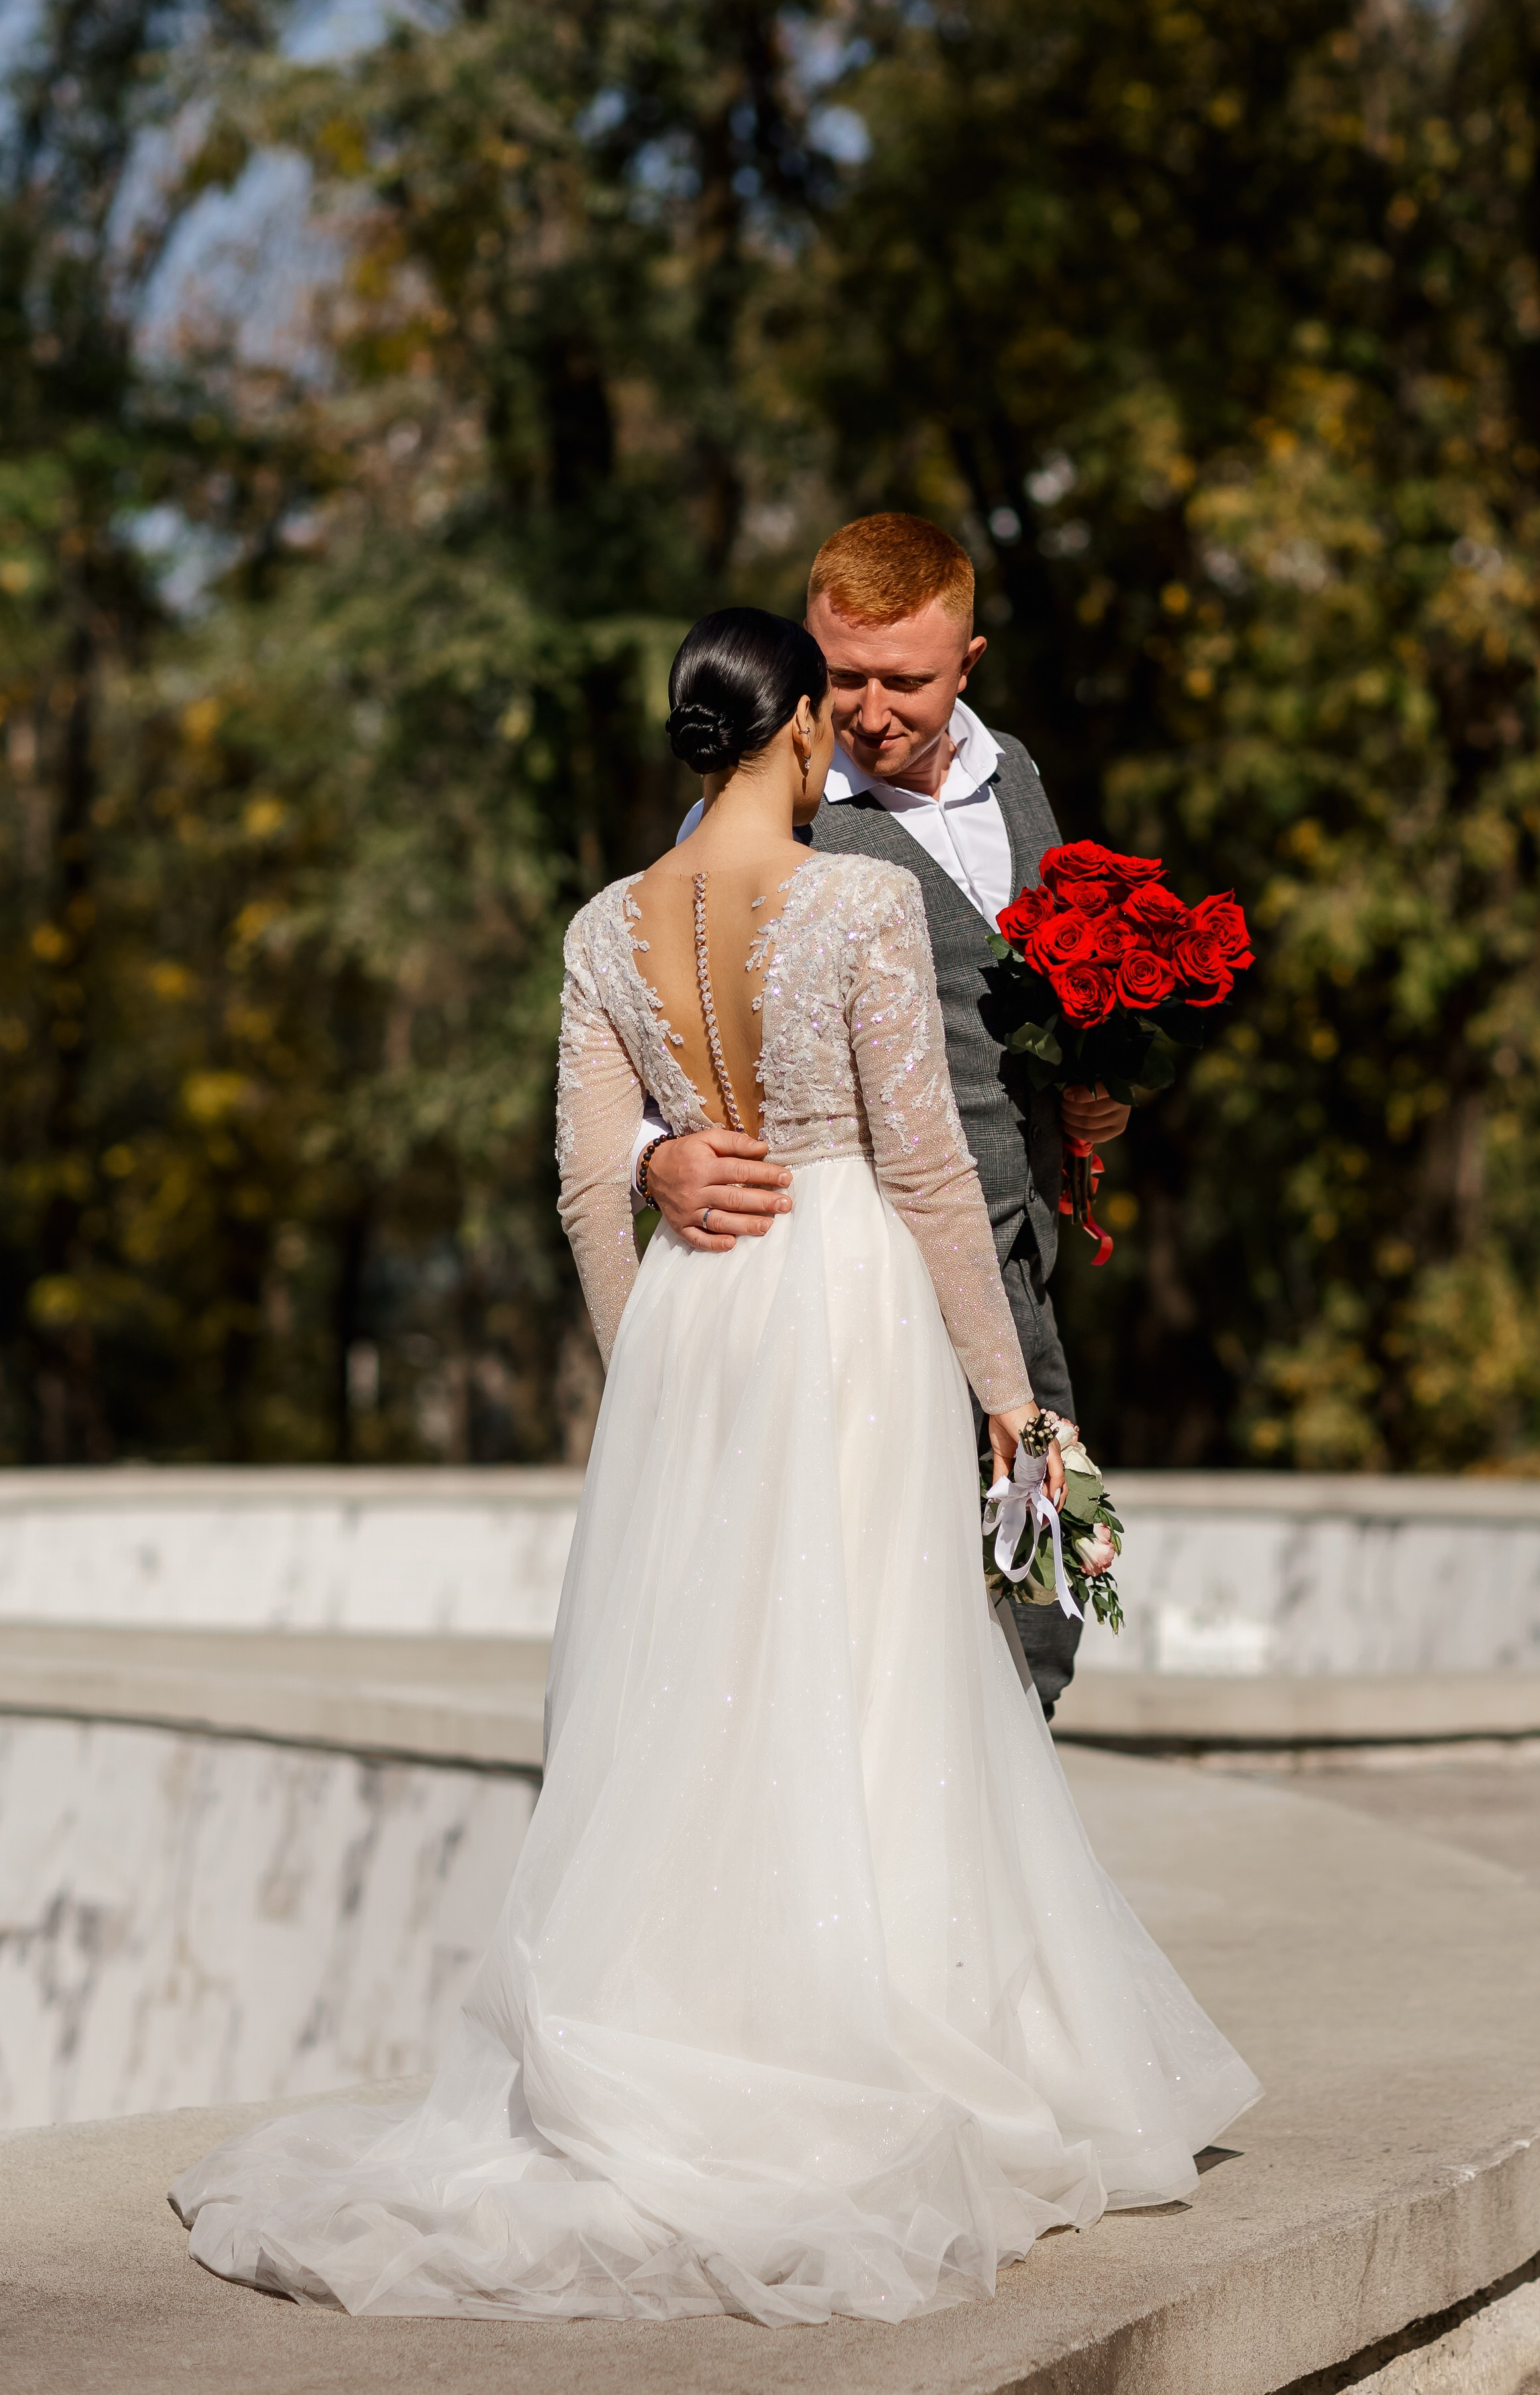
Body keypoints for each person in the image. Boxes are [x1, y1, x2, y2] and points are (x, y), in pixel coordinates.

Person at [170, 608, 1259, 2327]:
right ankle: (878, 2031)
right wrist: (1014, 1406)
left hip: (700, 1326)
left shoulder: (609, 928)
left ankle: (699, 2033)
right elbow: (917, 1173)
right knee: (877, 1678)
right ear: (800, 736)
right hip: (847, 1313)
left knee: (702, 1694)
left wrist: (655, 1366)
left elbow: (582, 1189)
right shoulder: (858, 904)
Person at [637, 515, 1125, 1718]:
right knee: (890, 1624)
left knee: (1044, 1581)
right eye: (840, 675)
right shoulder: (751, 817)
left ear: (969, 663)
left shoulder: (1017, 776)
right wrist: (661, 1159)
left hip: (1018, 1256)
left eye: (905, 680)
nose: (868, 709)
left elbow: (1038, 1003)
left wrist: (1090, 1087)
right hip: (861, 1281)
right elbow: (663, 1033)